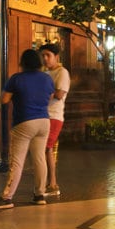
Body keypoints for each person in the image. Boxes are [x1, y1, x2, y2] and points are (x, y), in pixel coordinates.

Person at [0, 49, 53, 210]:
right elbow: (49, 98)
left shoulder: (16, 79)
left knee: (17, 161)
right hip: (44, 121)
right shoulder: (47, 79)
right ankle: (39, 194)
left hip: (24, 122)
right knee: (39, 159)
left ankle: (7, 197)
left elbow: (4, 99)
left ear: (23, 62)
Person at [40, 43, 70, 198]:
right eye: (43, 55)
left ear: (56, 56)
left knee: (46, 148)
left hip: (54, 116)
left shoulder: (62, 72)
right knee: (46, 150)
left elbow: (59, 94)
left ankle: (52, 183)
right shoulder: (44, 73)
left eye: (48, 55)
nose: (45, 59)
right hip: (42, 115)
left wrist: (41, 94)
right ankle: (50, 183)